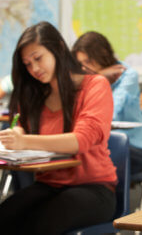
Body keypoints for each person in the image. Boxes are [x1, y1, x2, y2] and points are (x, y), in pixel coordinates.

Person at [0, 21, 117, 234]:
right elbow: (21, 127)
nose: (34, 69)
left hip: (94, 189)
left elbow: (80, 140)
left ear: (59, 49)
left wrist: (24, 141)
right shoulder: (35, 93)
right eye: (27, 64)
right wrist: (17, 134)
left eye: (38, 58)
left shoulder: (95, 85)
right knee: (6, 216)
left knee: (40, 223)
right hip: (49, 185)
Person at [72, 31, 142, 174]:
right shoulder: (85, 79)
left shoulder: (128, 75)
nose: (84, 69)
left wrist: (98, 80)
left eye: (88, 62)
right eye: (80, 64)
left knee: (90, 158)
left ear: (102, 55)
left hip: (133, 147)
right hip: (101, 145)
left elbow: (109, 114)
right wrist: (99, 77)